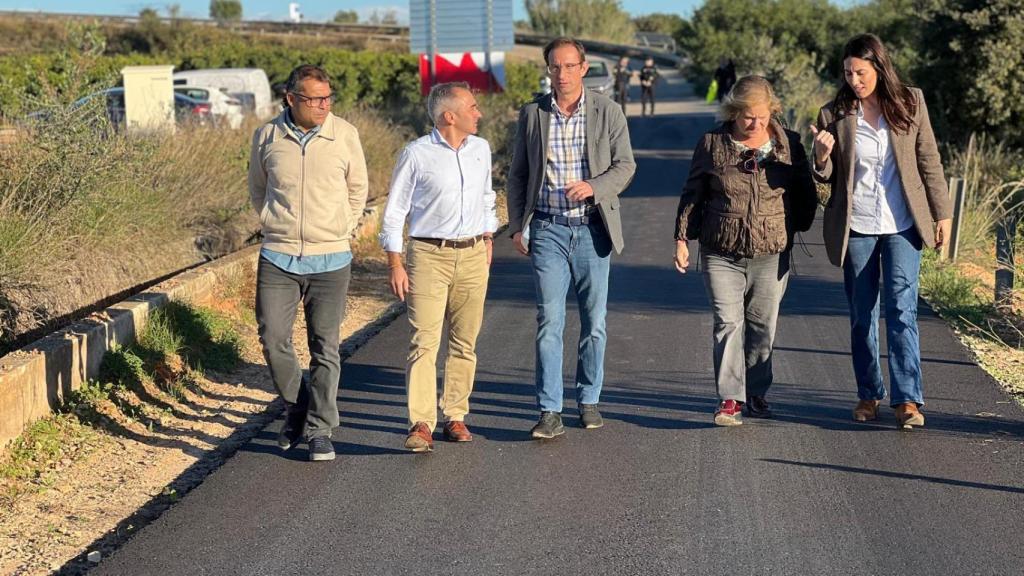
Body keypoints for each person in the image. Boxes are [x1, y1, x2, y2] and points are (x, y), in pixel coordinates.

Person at [811, 33, 952, 429]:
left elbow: (929, 159)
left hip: (903, 225)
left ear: (878, 66)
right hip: (857, 227)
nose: (855, 80)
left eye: (861, 72)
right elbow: (824, 178)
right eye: (848, 73)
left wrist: (942, 213)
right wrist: (821, 156)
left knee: (902, 311)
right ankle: (869, 393)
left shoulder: (910, 101)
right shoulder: (833, 114)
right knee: (862, 315)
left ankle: (907, 400)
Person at [507, 37, 636, 439]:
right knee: (550, 321)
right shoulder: (533, 114)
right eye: (554, 67)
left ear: (583, 68)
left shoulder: (607, 111)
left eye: (568, 66)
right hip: (547, 228)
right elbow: (518, 174)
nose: (561, 75)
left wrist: (594, 187)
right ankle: (549, 410)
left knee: (594, 323)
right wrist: (516, 225)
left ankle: (589, 398)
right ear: (548, 70)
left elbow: (625, 166)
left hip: (592, 228)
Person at [674, 75, 817, 426]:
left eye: (763, 116)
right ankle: (730, 400)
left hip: (771, 252)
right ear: (733, 112)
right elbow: (693, 193)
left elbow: (804, 192)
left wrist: (798, 225)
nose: (755, 124)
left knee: (762, 327)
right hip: (720, 249)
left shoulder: (789, 145)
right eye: (748, 116)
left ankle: (756, 392)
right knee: (728, 323)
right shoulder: (712, 144)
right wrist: (681, 239)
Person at [248, 64, 369, 461]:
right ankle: (298, 405)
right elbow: (258, 188)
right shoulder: (267, 136)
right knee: (272, 337)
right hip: (279, 254)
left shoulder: (344, 134)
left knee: (325, 347)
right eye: (314, 99)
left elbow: (358, 189)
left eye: (327, 97)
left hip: (331, 257)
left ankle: (320, 429)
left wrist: (342, 227)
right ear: (291, 99)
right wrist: (272, 223)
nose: (323, 105)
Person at [380, 82, 497, 452]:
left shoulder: (481, 149)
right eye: (472, 107)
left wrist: (488, 235)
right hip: (429, 254)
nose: (478, 113)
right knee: (425, 342)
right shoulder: (416, 154)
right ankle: (421, 423)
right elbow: (395, 211)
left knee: (465, 341)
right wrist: (395, 262)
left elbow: (487, 196)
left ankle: (456, 414)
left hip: (474, 253)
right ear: (450, 116)